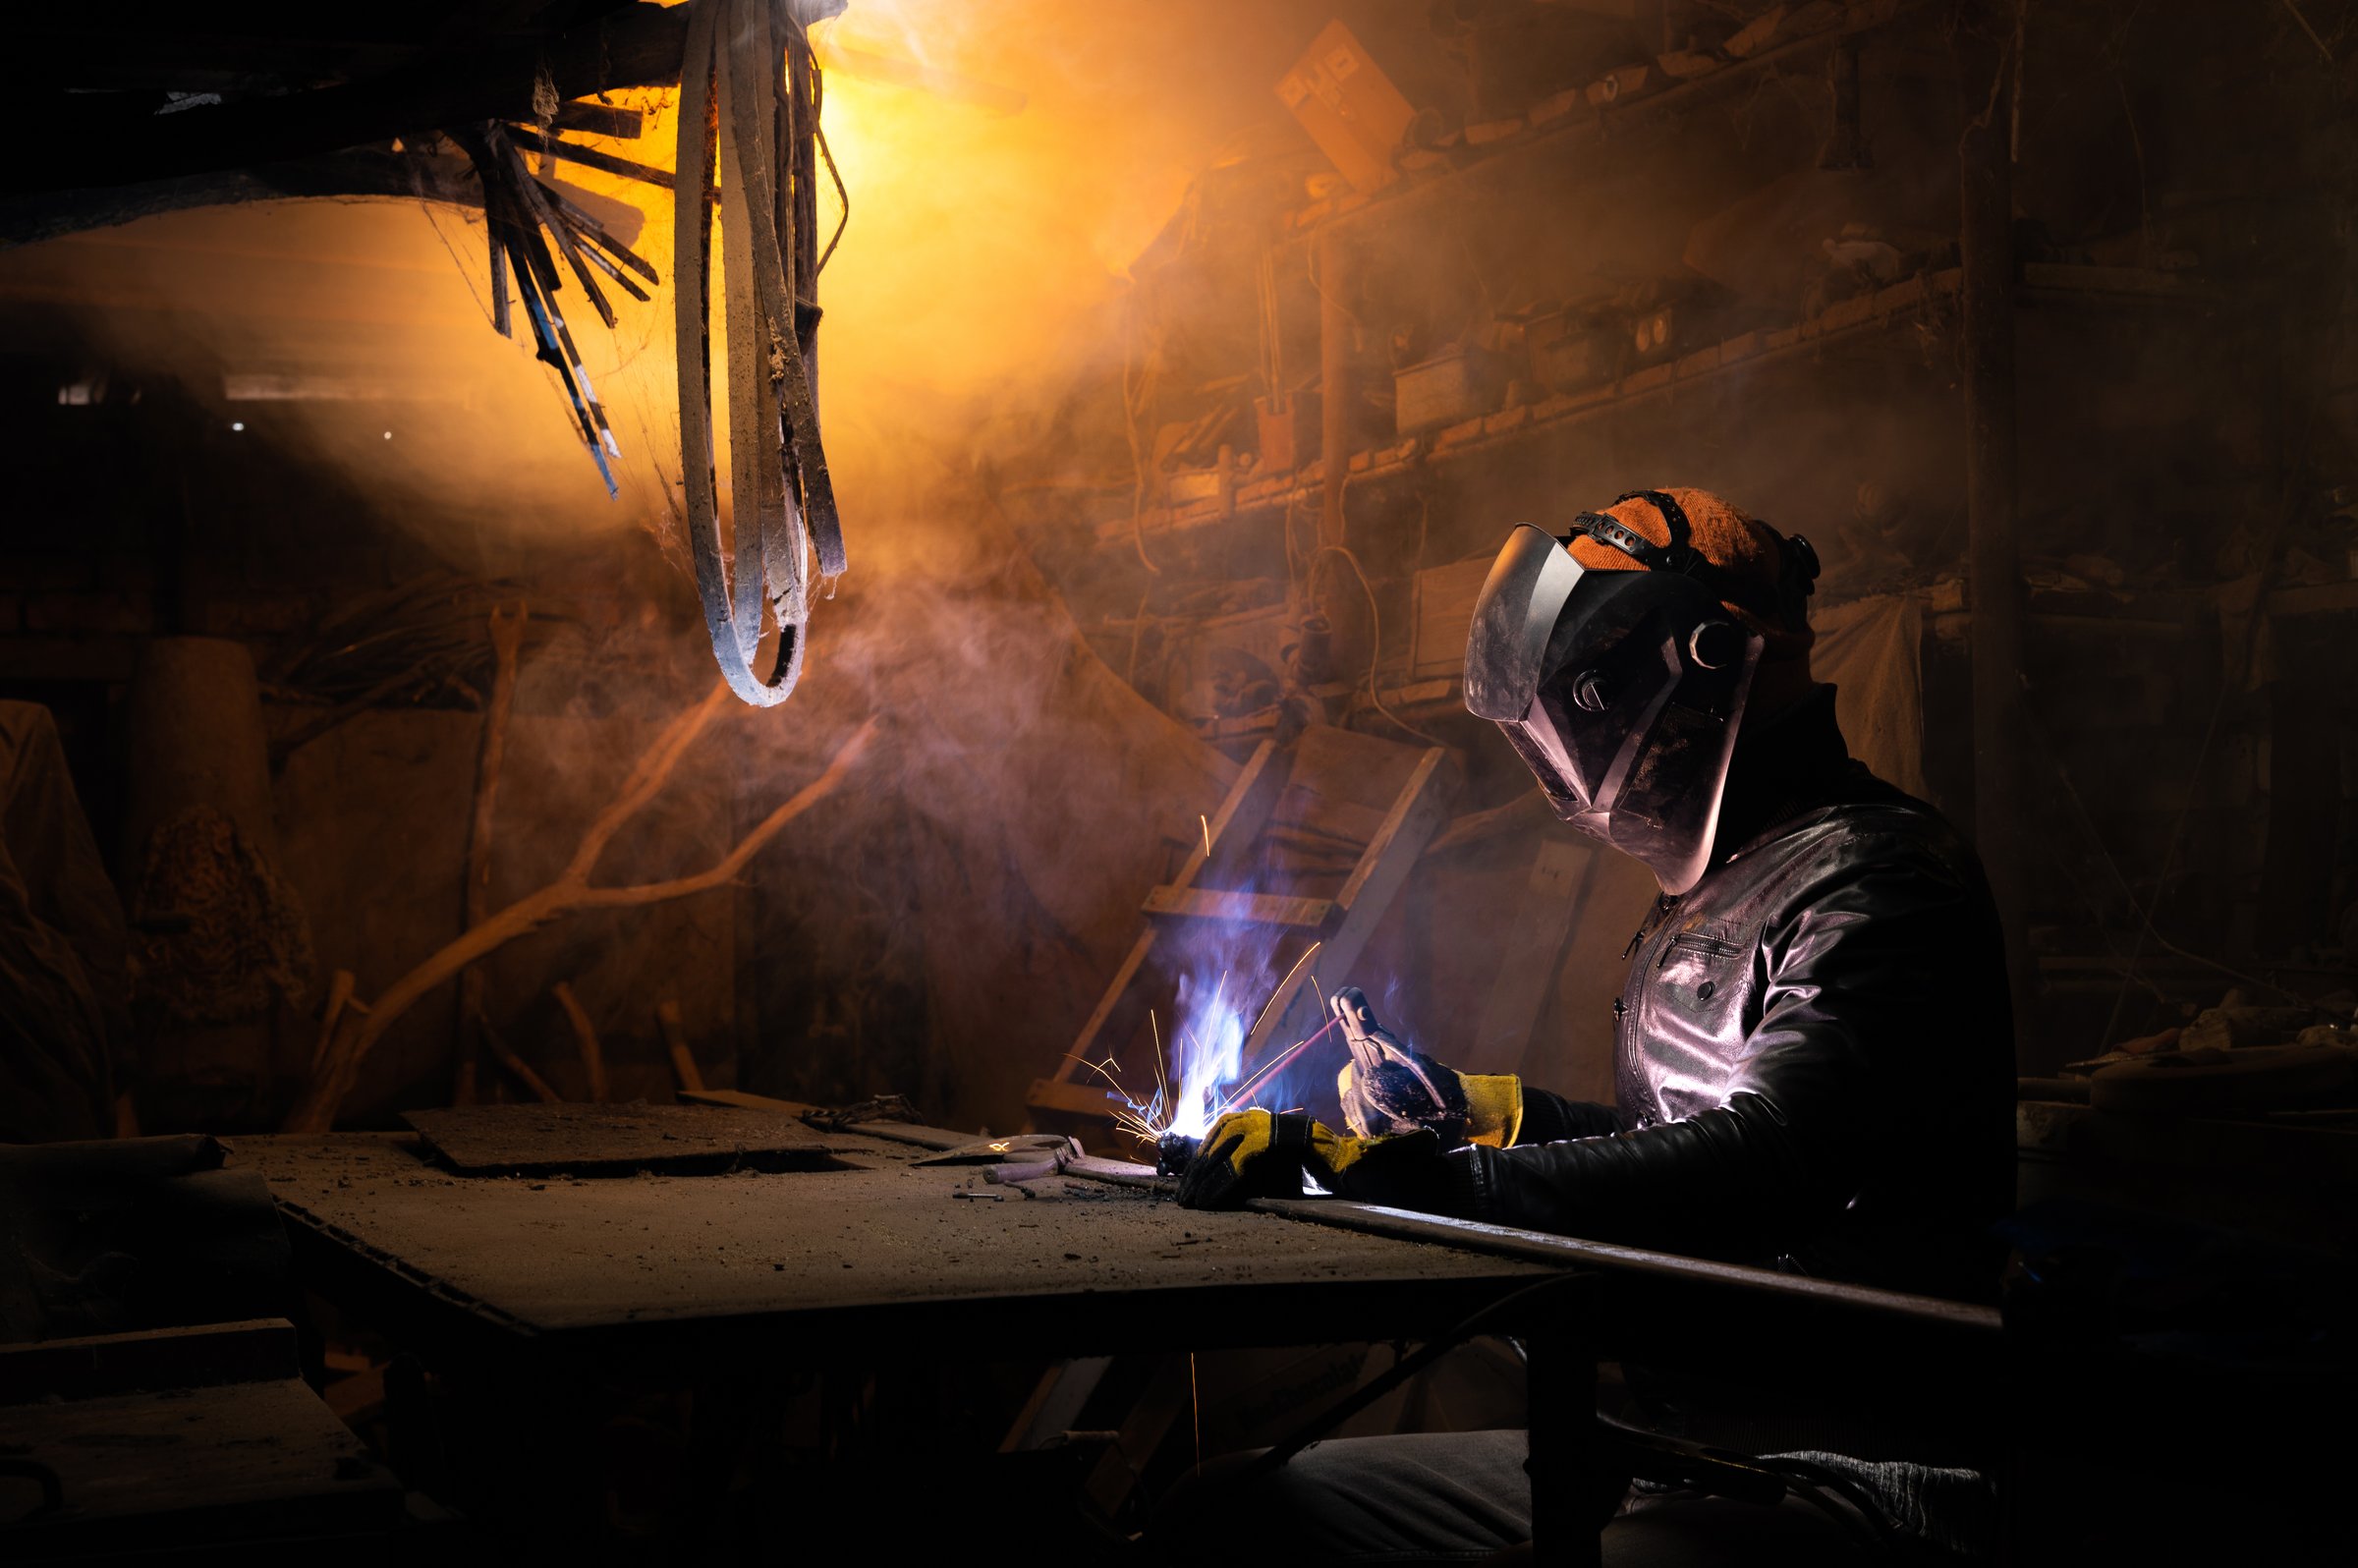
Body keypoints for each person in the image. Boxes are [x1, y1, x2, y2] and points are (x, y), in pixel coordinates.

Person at [1164, 487, 2014, 1563]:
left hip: (1849, 1468)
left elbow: (1778, 1159)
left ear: (1702, 666)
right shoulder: (1715, 888)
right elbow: (1679, 1140)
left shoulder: (1881, 878)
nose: (1567, 759)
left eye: (1586, 707)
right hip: (1670, 1446)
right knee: (1237, 1511)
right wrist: (1493, 1114)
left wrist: (1440, 1188)